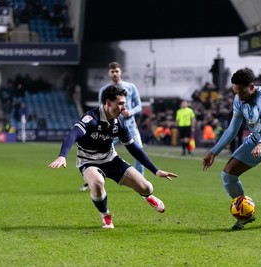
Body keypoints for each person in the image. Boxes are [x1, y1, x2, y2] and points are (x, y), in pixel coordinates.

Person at [48, 86, 177, 229]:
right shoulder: (91, 118)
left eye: (124, 104)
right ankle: (105, 215)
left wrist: (156, 171)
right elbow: (72, 135)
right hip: (89, 161)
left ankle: (147, 196)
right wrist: (62, 156)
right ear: (108, 103)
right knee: (97, 183)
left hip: (111, 160)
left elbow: (134, 149)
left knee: (147, 187)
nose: (123, 108)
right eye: (120, 103)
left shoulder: (119, 124)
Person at [202, 68, 261, 231]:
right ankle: (245, 214)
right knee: (228, 174)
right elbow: (232, 129)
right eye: (235, 92)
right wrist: (213, 152)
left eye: (241, 92)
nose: (239, 96)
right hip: (256, 141)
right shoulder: (239, 100)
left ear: (251, 87)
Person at [79, 61, 144, 191]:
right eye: (112, 71)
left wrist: (130, 112)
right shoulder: (104, 90)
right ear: (109, 73)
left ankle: (140, 181)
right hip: (111, 128)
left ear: (121, 72)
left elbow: (139, 106)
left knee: (139, 151)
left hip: (130, 127)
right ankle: (91, 178)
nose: (115, 73)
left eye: (117, 71)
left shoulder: (130, 87)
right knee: (98, 151)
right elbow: (101, 109)